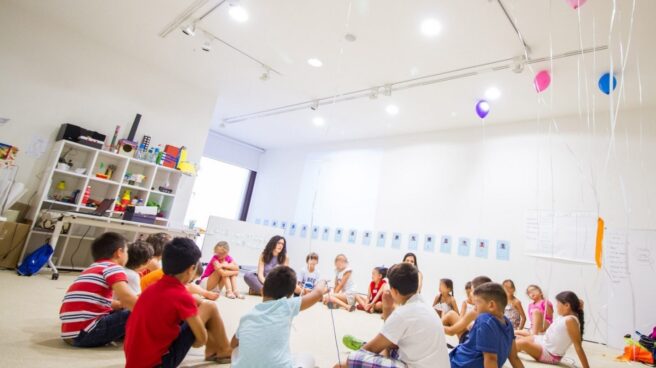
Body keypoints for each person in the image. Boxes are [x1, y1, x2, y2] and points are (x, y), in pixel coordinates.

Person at [124, 237, 233, 367]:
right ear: (191, 269)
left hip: (133, 361)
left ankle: (216, 350)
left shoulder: (151, 289)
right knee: (209, 306)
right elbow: (200, 341)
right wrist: (201, 331)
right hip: (159, 363)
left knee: (202, 307)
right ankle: (224, 350)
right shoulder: (182, 296)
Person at [337, 263, 450, 368]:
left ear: (394, 291)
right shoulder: (424, 304)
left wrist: (386, 308)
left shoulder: (403, 313)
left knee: (349, 360)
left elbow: (370, 349)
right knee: (391, 345)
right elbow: (391, 338)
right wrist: (387, 308)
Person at [231, 266, 328, 368]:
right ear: (290, 297)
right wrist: (323, 280)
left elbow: (233, 344)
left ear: (262, 290)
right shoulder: (287, 305)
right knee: (307, 357)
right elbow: (318, 293)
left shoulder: (247, 317)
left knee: (237, 350)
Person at [59, 232, 138, 347]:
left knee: (123, 311)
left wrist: (120, 305)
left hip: (70, 333)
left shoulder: (92, 269)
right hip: (86, 333)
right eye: (126, 251)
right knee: (137, 311)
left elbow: (97, 301)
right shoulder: (114, 268)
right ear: (119, 252)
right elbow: (127, 298)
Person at [449, 282, 524, 368]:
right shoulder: (508, 324)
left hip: (458, 364)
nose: (475, 308)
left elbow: (491, 359)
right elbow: (514, 358)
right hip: (458, 360)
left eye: (476, 304)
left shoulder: (485, 320)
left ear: (491, 305)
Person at [516, 291, 590, 368]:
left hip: (550, 354)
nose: (556, 306)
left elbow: (578, 346)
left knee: (521, 343)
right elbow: (580, 302)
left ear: (567, 305)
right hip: (542, 342)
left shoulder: (570, 321)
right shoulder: (564, 316)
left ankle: (506, 352)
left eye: (558, 303)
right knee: (517, 338)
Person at [140, 238, 219, 301]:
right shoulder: (165, 275)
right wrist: (204, 294)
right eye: (191, 280)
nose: (189, 283)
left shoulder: (167, 272)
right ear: (190, 269)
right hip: (141, 297)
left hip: (143, 297)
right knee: (201, 302)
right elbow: (188, 289)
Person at [442, 276, 492, 341]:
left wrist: (435, 326)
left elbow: (451, 331)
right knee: (451, 314)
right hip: (471, 336)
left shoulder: (475, 312)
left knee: (451, 314)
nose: (470, 294)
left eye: (471, 291)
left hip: (469, 342)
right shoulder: (495, 312)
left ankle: (435, 323)